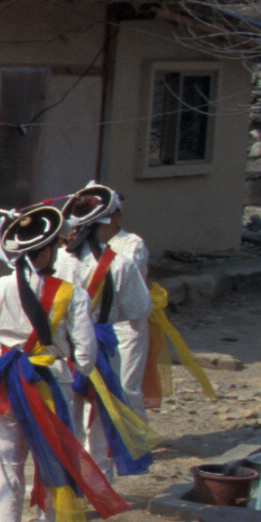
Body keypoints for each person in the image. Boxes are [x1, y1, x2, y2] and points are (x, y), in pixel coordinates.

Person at [0, 202, 127, 522]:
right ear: (42, 252)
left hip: (8, 387)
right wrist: (72, 370)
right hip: (52, 386)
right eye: (53, 247)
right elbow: (87, 355)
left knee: (7, 473)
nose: (57, 252)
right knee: (56, 463)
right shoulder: (70, 295)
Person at [55, 182, 162, 478]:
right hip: (102, 343)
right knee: (102, 416)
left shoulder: (56, 261)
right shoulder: (120, 264)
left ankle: (65, 483)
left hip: (62, 347)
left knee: (65, 416)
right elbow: (140, 309)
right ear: (105, 220)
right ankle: (99, 481)